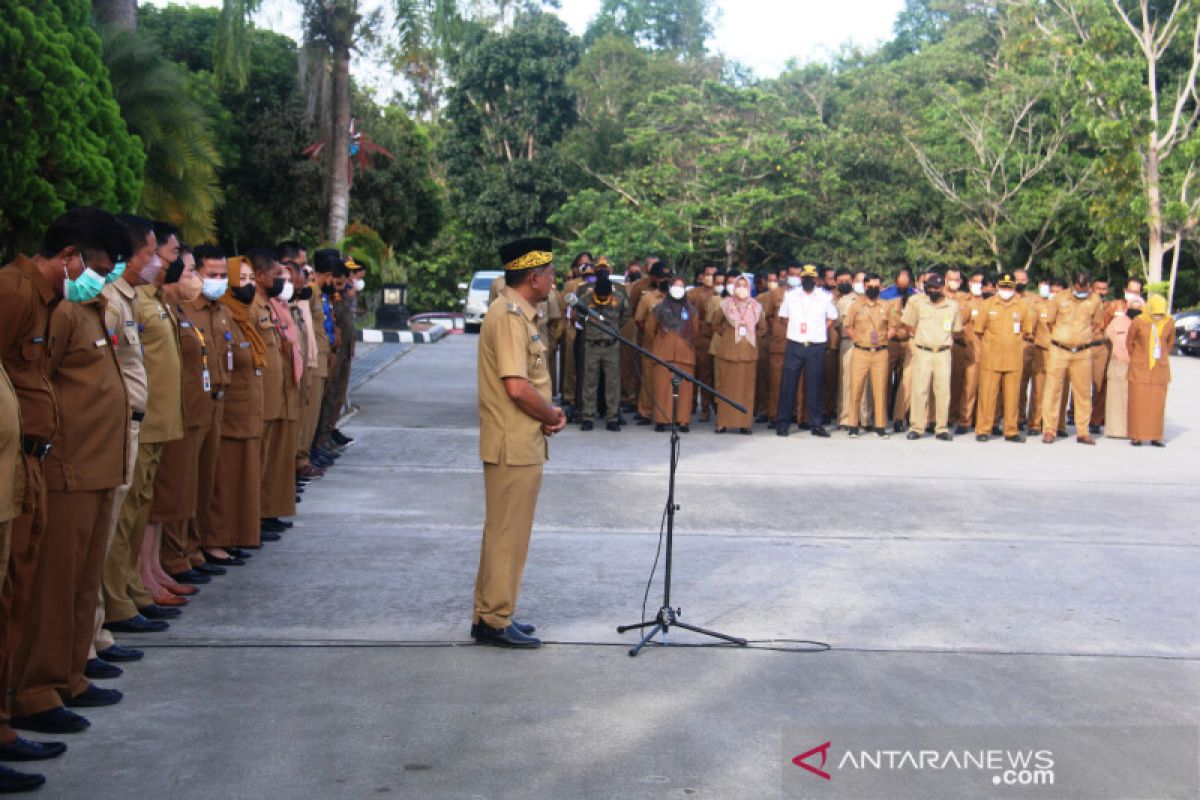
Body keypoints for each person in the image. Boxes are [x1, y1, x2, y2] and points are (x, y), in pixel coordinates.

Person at [0, 209, 122, 777]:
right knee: (35, 587)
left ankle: (64, 676)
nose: (98, 277)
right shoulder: (17, 294)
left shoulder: (54, 302)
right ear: (69, 255)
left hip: (55, 461)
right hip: (46, 464)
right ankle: (36, 691)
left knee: (70, 579)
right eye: (95, 266)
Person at [472, 237, 566, 649]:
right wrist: (552, 415)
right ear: (533, 276)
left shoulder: (517, 314)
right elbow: (516, 386)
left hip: (519, 440)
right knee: (507, 534)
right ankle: (494, 619)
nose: (553, 280)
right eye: (549, 273)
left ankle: (493, 612)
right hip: (514, 443)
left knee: (506, 532)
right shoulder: (509, 317)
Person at [206, 256, 266, 553]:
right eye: (240, 279)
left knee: (243, 477)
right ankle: (219, 538)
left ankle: (239, 534)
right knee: (226, 480)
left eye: (251, 279)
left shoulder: (244, 315)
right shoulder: (227, 312)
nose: (248, 285)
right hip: (230, 412)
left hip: (248, 411)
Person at [1040, 270, 1103, 445]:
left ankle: (1083, 432)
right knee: (1053, 390)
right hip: (1059, 350)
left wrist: (1081, 337)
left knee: (1083, 393)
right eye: (1078, 288)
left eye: (1084, 288)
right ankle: (1049, 430)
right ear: (1072, 284)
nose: (1081, 291)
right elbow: (1050, 322)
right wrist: (1063, 338)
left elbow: (1097, 323)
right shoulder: (1059, 298)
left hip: (1082, 352)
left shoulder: (1095, 300)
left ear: (1089, 285)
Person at [774, 264, 837, 437]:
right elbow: (783, 317)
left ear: (816, 280)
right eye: (805, 278)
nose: (808, 281)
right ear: (801, 279)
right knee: (788, 385)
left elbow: (832, 317)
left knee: (814, 386)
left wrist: (819, 329)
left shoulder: (825, 297)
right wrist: (795, 328)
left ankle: (815, 424)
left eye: (812, 278)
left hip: (815, 345)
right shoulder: (790, 295)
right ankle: (783, 423)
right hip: (795, 343)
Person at [902, 273, 961, 440]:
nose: (933, 290)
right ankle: (916, 427)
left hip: (942, 352)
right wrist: (921, 337)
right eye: (930, 288)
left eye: (936, 288)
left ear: (943, 288)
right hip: (923, 351)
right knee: (919, 390)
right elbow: (909, 324)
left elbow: (956, 330)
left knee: (943, 392)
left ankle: (941, 428)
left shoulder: (953, 306)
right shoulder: (917, 303)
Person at [974, 274, 1027, 442]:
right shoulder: (987, 305)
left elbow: (1026, 331)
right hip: (991, 358)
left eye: (1009, 287)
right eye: (1003, 287)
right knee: (987, 396)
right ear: (997, 287)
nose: (1006, 291)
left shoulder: (1022, 306)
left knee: (1012, 398)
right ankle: (983, 429)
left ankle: (1011, 430)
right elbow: (979, 330)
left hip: (1013, 358)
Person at [645, 275, 699, 432]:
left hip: (685, 354)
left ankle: (683, 421)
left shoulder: (691, 310)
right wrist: (663, 340)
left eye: (681, 286)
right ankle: (662, 420)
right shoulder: (659, 308)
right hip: (663, 354)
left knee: (685, 390)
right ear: (669, 288)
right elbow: (650, 330)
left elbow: (695, 332)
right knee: (663, 388)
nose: (678, 288)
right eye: (675, 285)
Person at [712, 273, 762, 434]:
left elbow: (763, 329)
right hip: (728, 353)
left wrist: (750, 336)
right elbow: (715, 324)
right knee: (726, 389)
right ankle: (722, 423)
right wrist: (728, 335)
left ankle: (744, 424)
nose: (741, 289)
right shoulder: (725, 304)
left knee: (746, 391)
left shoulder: (756, 306)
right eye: (738, 285)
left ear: (749, 288)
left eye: (744, 286)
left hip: (748, 353)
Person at [577, 272, 628, 431]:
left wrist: (614, 329)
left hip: (611, 346)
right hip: (592, 345)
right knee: (589, 383)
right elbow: (579, 316)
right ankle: (588, 417)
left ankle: (612, 418)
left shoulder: (619, 298)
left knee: (612, 383)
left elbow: (626, 315)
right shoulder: (586, 298)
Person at [844, 272, 892, 438]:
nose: (873, 289)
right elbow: (848, 326)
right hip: (860, 351)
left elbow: (892, 326)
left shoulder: (886, 306)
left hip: (880, 352)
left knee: (880, 390)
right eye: (870, 286)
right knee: (856, 389)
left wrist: (884, 339)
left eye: (876, 286)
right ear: (864, 287)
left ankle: (880, 426)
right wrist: (858, 339)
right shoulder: (856, 306)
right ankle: (853, 425)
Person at [1126, 295, 1175, 447]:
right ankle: (1136, 436)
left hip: (1159, 370)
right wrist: (1139, 358)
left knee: (1157, 405)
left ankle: (1156, 436)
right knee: (1138, 403)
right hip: (1140, 369)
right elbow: (1130, 342)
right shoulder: (1139, 321)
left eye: (1161, 314)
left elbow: (1170, 343)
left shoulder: (1169, 323)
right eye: (1155, 314)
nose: (1158, 318)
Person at [1103, 294, 1142, 440]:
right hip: (1118, 364)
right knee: (1116, 399)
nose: (1135, 310)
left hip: (1137, 366)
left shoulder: (1145, 323)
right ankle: (1115, 431)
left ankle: (1134, 430)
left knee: (1134, 400)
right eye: (1132, 307)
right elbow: (1107, 337)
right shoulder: (1117, 322)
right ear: (1126, 307)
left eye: (1138, 308)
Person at [633, 261, 667, 425]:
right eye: (661, 277)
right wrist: (648, 334)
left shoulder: (677, 296)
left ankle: (666, 411)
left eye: (667, 277)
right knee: (648, 378)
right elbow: (638, 319)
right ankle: (645, 412)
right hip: (650, 345)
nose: (663, 280)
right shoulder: (648, 297)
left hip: (670, 347)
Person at [687, 265, 717, 421]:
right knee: (691, 374)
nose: (709, 277)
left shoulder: (719, 294)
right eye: (707, 274)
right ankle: (689, 405)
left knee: (706, 376)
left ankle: (706, 408)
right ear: (701, 276)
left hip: (709, 339)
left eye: (713, 274)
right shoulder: (692, 293)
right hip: (693, 337)